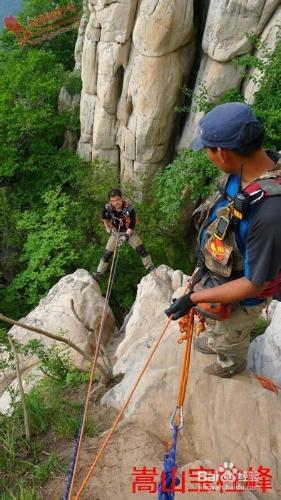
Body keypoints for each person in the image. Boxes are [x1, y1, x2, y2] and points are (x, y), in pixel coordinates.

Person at [165, 102, 281, 378]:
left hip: (243, 296)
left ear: (224, 153)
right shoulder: (245, 170)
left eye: (207, 149)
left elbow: (254, 285)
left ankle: (229, 362)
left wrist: (193, 298)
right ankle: (219, 339)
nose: (206, 154)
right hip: (223, 273)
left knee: (231, 334)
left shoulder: (270, 213)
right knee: (219, 326)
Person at [94, 188, 155, 282]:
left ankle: (150, 268)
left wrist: (125, 236)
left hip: (129, 232)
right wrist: (107, 227)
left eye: (117, 199)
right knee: (107, 254)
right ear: (110, 201)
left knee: (141, 250)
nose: (115, 202)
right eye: (112, 201)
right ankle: (99, 274)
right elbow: (104, 217)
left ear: (121, 198)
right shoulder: (108, 207)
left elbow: (132, 225)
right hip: (115, 233)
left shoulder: (129, 208)